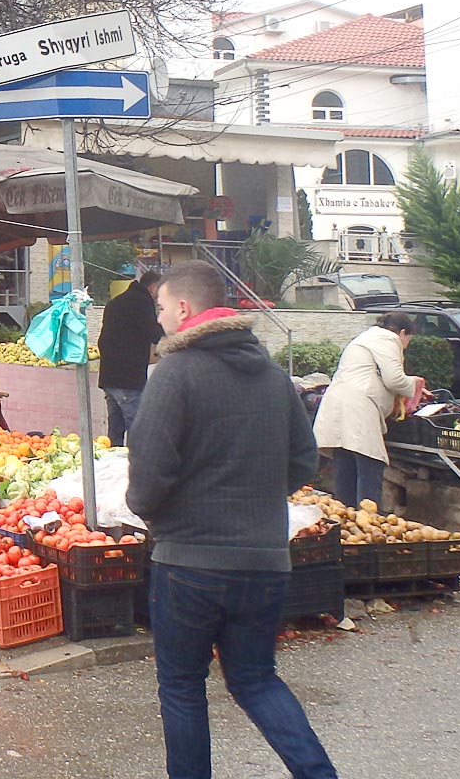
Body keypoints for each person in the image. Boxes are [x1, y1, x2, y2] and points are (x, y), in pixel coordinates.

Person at [126, 262, 336, 779]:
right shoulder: (271, 375)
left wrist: (155, 514)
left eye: (160, 309)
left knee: (181, 686)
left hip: (189, 564)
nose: (158, 321)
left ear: (183, 309)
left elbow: (148, 476)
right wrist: (257, 500)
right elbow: (304, 460)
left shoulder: (174, 373)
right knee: (257, 680)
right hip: (265, 562)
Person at [312, 312, 423, 509]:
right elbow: (394, 379)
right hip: (358, 407)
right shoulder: (388, 339)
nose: (406, 346)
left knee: (345, 465)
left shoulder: (365, 337)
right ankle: (368, 525)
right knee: (369, 463)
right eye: (408, 340)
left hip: (337, 404)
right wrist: (414, 383)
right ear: (403, 333)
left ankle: (345, 524)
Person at [96, 270, 163, 446]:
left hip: (109, 376)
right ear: (153, 287)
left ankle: (112, 468)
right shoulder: (141, 303)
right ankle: (135, 470)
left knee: (115, 432)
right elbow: (155, 334)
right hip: (128, 379)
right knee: (138, 430)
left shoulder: (117, 302)